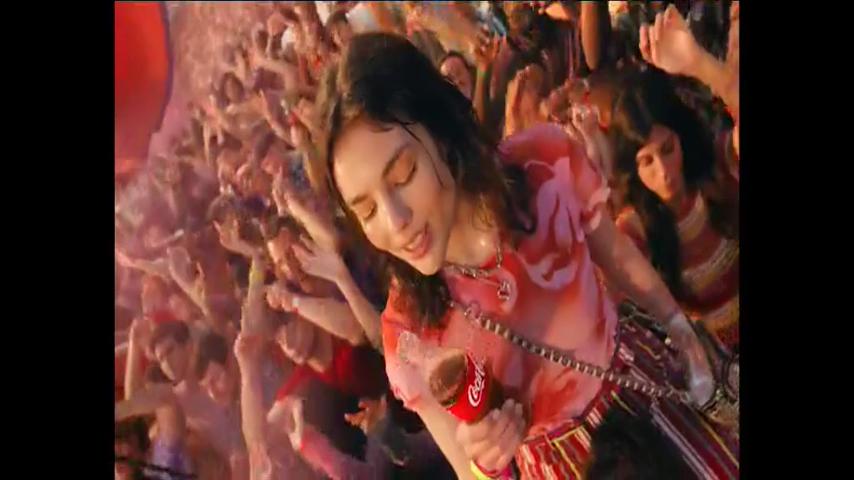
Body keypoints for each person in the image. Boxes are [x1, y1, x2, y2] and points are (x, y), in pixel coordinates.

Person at [311, 32, 737, 478]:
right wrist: (486, 460)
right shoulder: (409, 334)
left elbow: (618, 257)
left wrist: (680, 331)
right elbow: (467, 471)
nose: (395, 221)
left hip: (649, 398)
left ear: (441, 133)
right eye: (367, 211)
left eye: (404, 175)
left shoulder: (543, 164)